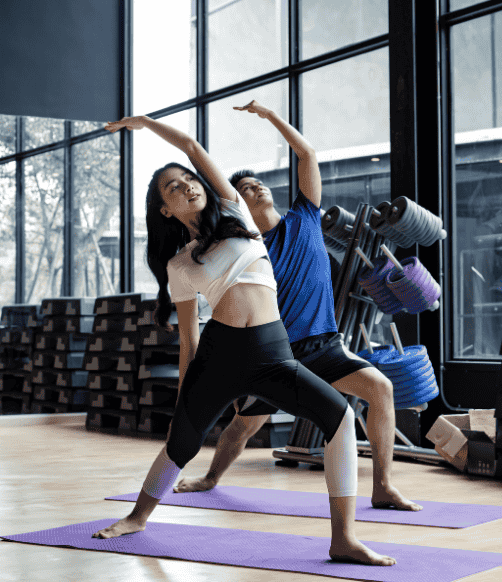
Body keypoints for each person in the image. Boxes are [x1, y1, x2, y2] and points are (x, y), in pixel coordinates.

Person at [91, 110, 396, 567]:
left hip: (274, 351)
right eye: (173, 188)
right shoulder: (180, 264)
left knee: (337, 417)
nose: (187, 186)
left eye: (188, 180)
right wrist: (183, 397)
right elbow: (189, 339)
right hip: (220, 355)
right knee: (182, 443)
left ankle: (343, 538)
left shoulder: (236, 211)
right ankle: (138, 515)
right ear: (165, 210)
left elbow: (193, 147)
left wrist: (148, 124)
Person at [174, 100, 422, 513]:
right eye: (247, 189)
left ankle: (383, 486)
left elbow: (307, 154)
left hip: (325, 344)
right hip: (277, 354)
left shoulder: (306, 216)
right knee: (244, 426)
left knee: (381, 388)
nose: (258, 188)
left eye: (259, 183)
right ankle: (210, 477)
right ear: (239, 206)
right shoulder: (244, 247)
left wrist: (271, 117)